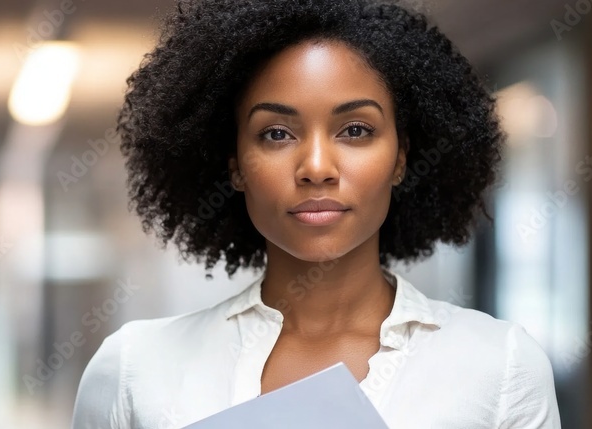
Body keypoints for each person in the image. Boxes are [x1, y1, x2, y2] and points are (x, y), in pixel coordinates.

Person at [72, 0, 561, 427]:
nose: (317, 168)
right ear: (235, 166)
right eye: (277, 134)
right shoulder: (135, 368)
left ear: (402, 158)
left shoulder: (500, 367)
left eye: (355, 130)